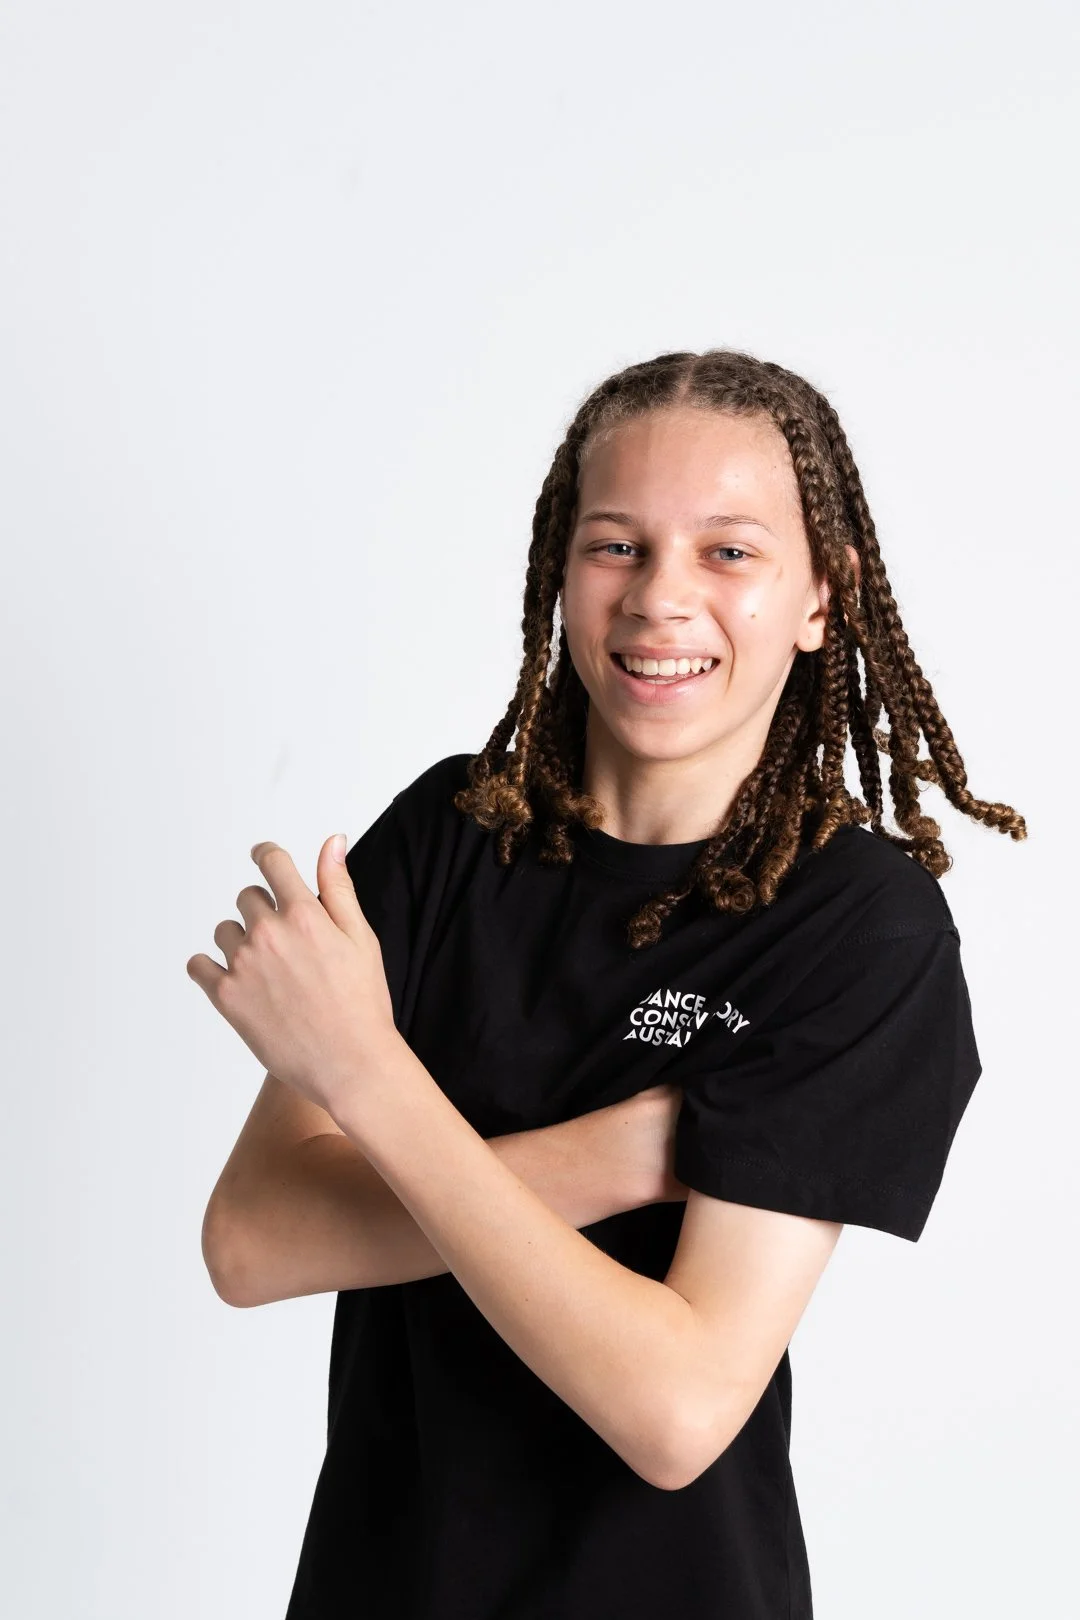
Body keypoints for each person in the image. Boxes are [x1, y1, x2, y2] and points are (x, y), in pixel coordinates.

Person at [200, 347, 1026, 1619]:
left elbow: (674, 1410)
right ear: (561, 567)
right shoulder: (448, 835)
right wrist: (637, 1150)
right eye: (616, 545)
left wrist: (366, 1077)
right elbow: (253, 1242)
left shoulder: (859, 927)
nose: (660, 597)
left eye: (729, 551)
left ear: (824, 596)